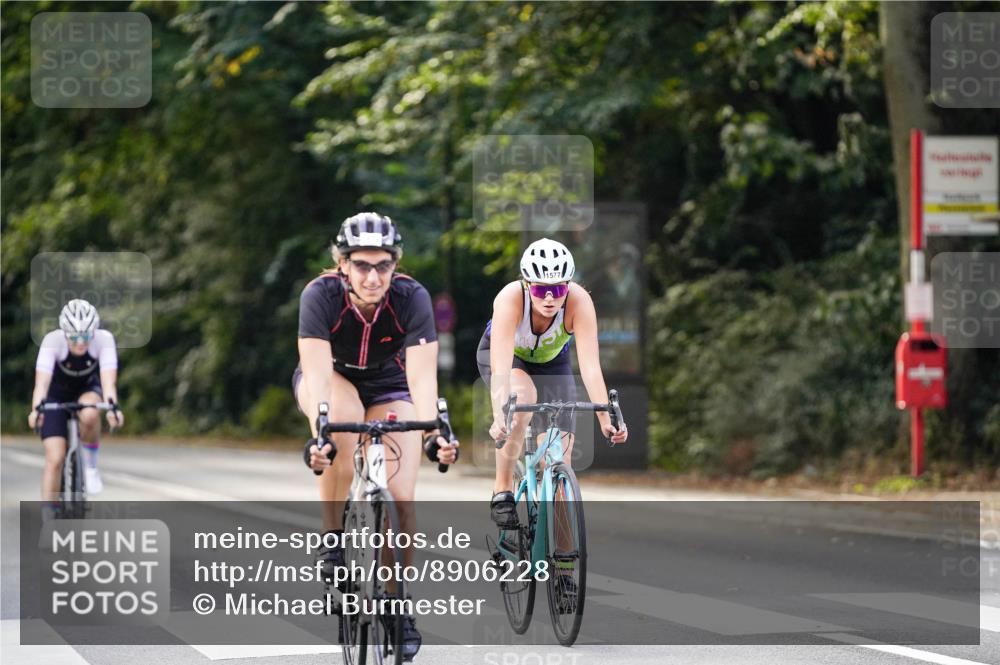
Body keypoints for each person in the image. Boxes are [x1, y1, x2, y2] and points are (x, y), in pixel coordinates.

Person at [294, 212, 458, 661]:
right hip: (334, 379)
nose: (372, 276)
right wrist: (319, 438)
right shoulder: (320, 295)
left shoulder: (411, 298)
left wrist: (431, 436)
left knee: (402, 499)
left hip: (390, 383)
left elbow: (423, 381)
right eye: (361, 265)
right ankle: (332, 543)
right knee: (341, 437)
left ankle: (396, 603)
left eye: (382, 265)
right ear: (342, 264)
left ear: (395, 265)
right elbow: (317, 373)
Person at [477, 237, 629, 521]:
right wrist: (500, 415)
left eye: (558, 289)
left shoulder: (579, 302)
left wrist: (606, 420)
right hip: (508, 359)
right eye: (540, 289)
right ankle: (502, 490)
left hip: (552, 364)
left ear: (568, 285)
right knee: (520, 400)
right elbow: (500, 369)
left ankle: (561, 558)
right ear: (526, 285)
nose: (550, 298)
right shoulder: (510, 298)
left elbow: (590, 366)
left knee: (557, 461)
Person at [28, 299, 123, 508]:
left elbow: (109, 383)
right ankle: (49, 515)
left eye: (86, 336)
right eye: (74, 337)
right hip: (55, 395)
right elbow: (41, 384)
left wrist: (112, 409)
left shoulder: (104, 340)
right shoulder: (52, 341)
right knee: (55, 458)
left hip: (87, 389)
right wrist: (37, 410)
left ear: (94, 332)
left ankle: (90, 467)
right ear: (64, 333)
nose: (81, 342)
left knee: (89, 412)